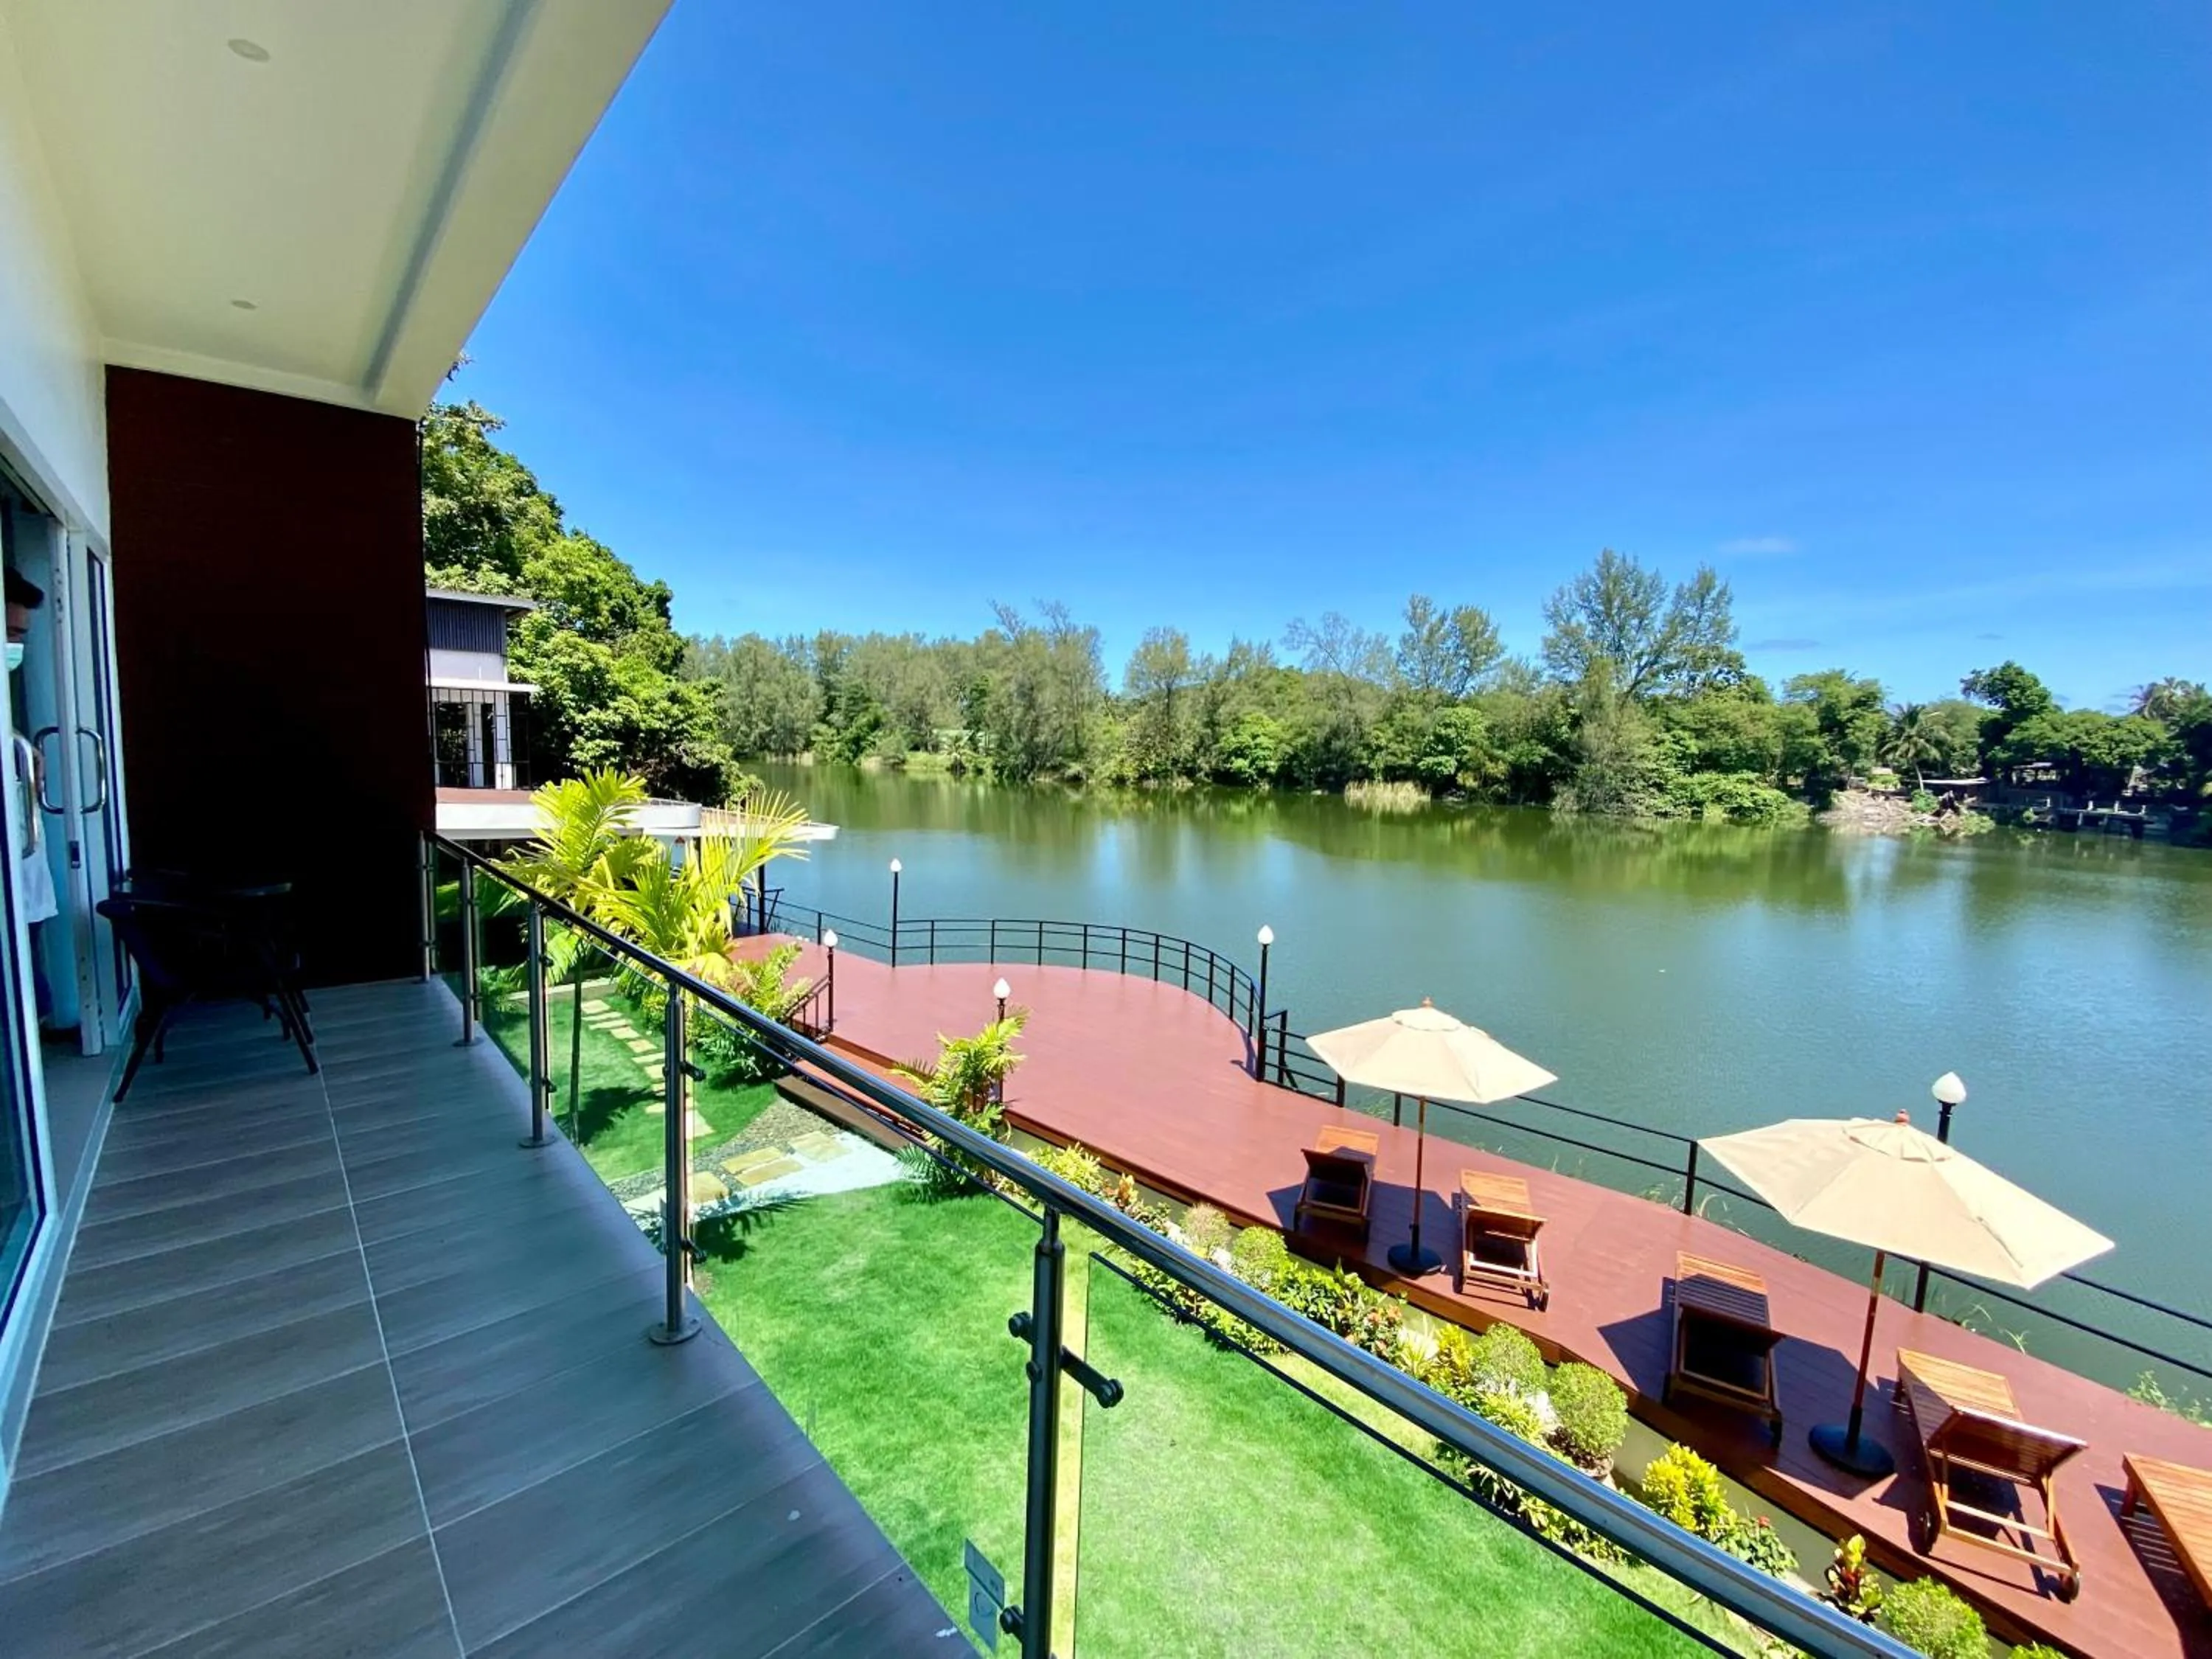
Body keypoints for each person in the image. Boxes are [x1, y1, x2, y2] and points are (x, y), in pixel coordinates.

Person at [6, 569, 58, 927]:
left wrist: (23, 750)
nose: (13, 645)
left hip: (22, 889)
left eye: (18, 636)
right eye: (8, 633)